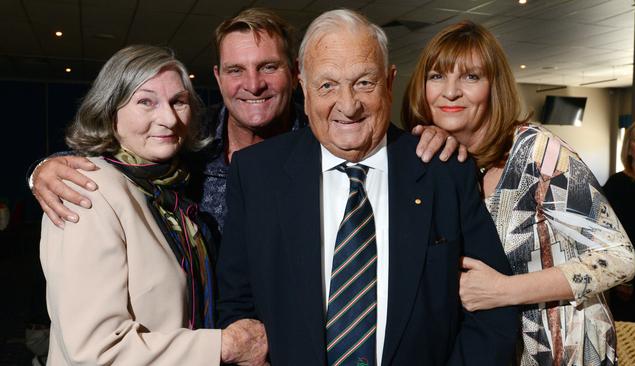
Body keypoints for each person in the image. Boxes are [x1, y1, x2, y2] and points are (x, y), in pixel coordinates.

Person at [217, 9, 519, 366]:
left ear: (390, 82)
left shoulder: (444, 171)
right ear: (304, 86)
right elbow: (236, 305)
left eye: (364, 83)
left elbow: (492, 315)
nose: (348, 105)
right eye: (327, 85)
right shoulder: (256, 175)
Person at [29, 8, 462, 235]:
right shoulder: (188, 138)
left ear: (295, 75)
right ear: (218, 78)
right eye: (236, 70)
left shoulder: (328, 139)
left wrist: (435, 134)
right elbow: (115, 156)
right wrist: (42, 171)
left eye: (267, 67)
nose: (252, 85)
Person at [402, 20, 635, 366]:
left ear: (493, 87)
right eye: (437, 76)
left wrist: (503, 291)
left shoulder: (537, 152)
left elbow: (620, 258)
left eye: (470, 77)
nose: (450, 91)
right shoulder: (444, 165)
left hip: (566, 352)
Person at [39, 45, 267, 365]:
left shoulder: (167, 187)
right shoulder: (87, 191)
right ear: (109, 109)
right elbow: (94, 352)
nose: (169, 118)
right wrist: (224, 345)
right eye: (146, 101)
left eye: (178, 102)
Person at [604, 119, 635, 323]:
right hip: (629, 284)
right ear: (629, 149)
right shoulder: (616, 186)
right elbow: (605, 235)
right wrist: (621, 279)